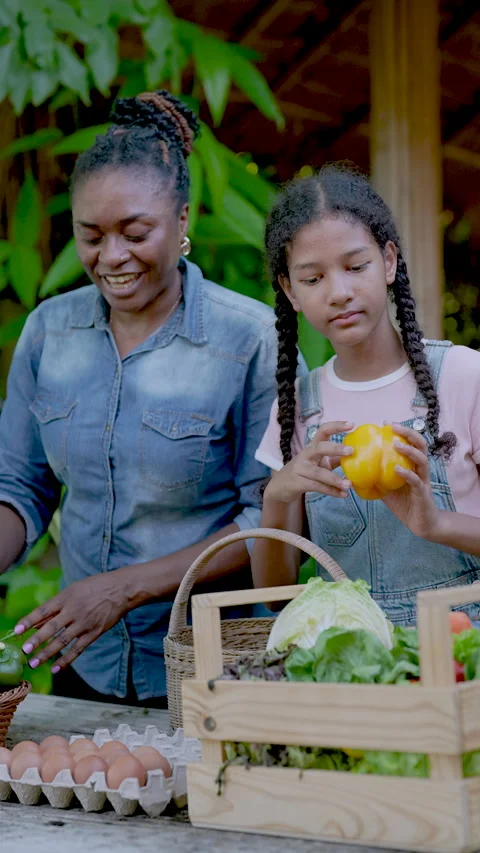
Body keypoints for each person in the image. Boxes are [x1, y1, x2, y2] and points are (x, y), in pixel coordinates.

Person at [0, 90, 279, 706]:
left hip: (215, 665)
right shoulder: (49, 331)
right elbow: (21, 487)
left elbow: (270, 524)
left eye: (135, 232)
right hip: (85, 665)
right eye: (90, 236)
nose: (112, 257)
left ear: (183, 221)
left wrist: (122, 588)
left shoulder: (251, 340)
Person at [253, 163, 480, 625]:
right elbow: (276, 595)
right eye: (313, 279)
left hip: (465, 653)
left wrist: (435, 524)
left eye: (356, 267)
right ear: (289, 290)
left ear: (389, 262)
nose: (339, 292)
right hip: (354, 661)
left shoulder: (461, 375)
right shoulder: (296, 409)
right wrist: (277, 493)